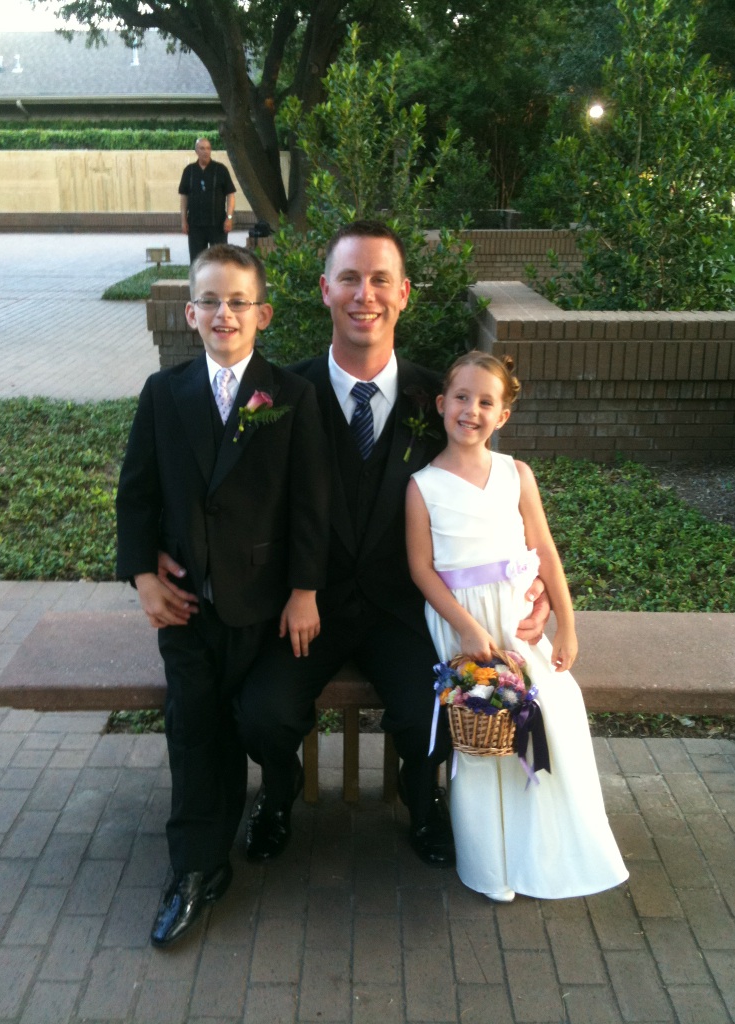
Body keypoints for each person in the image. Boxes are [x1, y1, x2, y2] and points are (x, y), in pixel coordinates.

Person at [231, 220, 551, 868]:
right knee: (261, 713)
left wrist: (532, 584)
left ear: (404, 293)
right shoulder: (280, 396)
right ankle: (280, 790)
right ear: (325, 289)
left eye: (380, 279)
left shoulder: (443, 399)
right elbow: (244, 502)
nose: (364, 294)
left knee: (427, 716)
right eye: (349, 278)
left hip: (405, 609)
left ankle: (422, 799)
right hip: (306, 608)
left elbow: (488, 499)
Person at [115, 244, 329, 948]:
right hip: (188, 609)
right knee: (193, 728)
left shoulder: (290, 397)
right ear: (190, 312)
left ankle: (279, 782)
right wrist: (145, 575)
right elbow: (137, 496)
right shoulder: (163, 394)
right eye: (210, 300)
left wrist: (304, 590)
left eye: (238, 301)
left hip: (267, 609)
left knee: (259, 718)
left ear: (263, 314)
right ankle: (198, 870)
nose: (224, 313)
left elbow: (308, 506)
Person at [405, 351, 628, 901]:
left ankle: (545, 845)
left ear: (503, 416)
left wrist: (567, 624)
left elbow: (544, 553)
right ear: (441, 404)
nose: (471, 410)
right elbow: (421, 568)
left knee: (552, 712)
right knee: (483, 726)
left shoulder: (515, 474)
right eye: (461, 397)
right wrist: (466, 629)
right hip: (463, 623)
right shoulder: (423, 486)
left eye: (486, 402)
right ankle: (490, 861)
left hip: (518, 618)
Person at [178, 137, 237, 263]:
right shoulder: (189, 171)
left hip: (218, 225)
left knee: (220, 260)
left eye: (208, 148)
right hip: (195, 226)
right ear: (196, 151)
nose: (206, 151)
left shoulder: (220, 170)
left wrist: (229, 218)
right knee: (197, 262)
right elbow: (184, 197)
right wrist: (183, 220)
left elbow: (230, 195)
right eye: (202, 148)